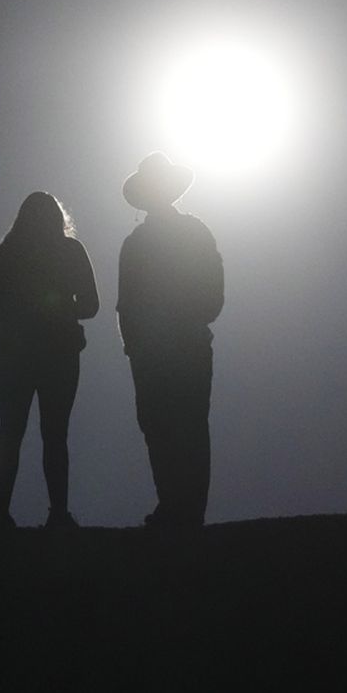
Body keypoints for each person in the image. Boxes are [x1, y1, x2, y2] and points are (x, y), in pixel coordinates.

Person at [0, 192, 99, 529]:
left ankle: (2, 515)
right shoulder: (71, 251)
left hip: (13, 354)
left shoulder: (7, 254)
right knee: (55, 434)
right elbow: (91, 305)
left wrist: (21, 313)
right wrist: (58, 313)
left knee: (11, 432)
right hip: (59, 353)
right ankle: (58, 513)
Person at [117, 153, 224, 528]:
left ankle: (181, 510)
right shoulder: (193, 233)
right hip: (177, 347)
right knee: (177, 426)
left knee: (171, 426)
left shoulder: (138, 243)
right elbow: (213, 296)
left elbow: (125, 304)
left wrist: (135, 345)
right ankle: (183, 509)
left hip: (165, 350)